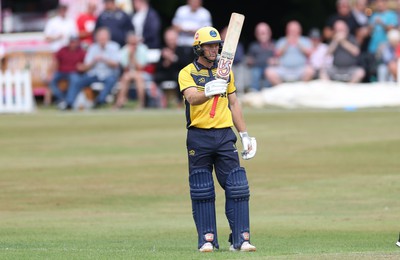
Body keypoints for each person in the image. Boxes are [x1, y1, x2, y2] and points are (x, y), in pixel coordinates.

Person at [178, 26, 257, 253]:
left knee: (237, 186)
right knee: (202, 189)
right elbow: (192, 98)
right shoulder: (187, 73)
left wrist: (244, 135)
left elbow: (234, 103)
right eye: (209, 46)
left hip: (224, 136)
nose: (214, 49)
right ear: (198, 48)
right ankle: (207, 239)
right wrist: (207, 92)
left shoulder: (226, 72)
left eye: (216, 45)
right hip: (199, 136)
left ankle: (241, 239)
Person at [63, 27, 120, 109]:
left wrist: (104, 59)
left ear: (108, 38)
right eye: (100, 38)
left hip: (109, 74)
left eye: (104, 38)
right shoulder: (93, 47)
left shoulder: (114, 47)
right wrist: (94, 61)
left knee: (111, 80)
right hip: (95, 74)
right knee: (78, 81)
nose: (102, 40)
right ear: (97, 38)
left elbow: (116, 64)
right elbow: (87, 65)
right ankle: (69, 102)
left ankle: (100, 101)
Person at [265, 20, 314, 86]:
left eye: (294, 30)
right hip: (284, 69)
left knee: (310, 70)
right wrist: (287, 43)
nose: (292, 32)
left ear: (299, 30)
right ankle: (281, 88)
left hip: (300, 69)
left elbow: (309, 53)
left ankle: (301, 88)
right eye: (290, 30)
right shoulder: (282, 40)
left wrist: (298, 43)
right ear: (287, 30)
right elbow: (277, 54)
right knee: (269, 71)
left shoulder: (305, 40)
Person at [49, 36, 86, 110]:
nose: (73, 44)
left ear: (77, 43)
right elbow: (55, 61)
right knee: (51, 80)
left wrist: (82, 67)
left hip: (74, 72)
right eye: (71, 42)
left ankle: (69, 102)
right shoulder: (63, 49)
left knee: (75, 80)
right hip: (61, 71)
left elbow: (85, 64)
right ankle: (63, 99)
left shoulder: (81, 52)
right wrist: (51, 73)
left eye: (74, 42)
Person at [114, 32, 149, 109]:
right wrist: (130, 56)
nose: (133, 45)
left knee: (138, 77)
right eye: (131, 43)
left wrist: (133, 57)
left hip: (141, 73)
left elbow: (140, 68)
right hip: (128, 73)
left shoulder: (143, 49)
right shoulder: (124, 50)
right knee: (125, 77)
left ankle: (141, 103)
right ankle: (119, 102)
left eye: (135, 43)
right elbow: (125, 68)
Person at [153, 27, 187, 106]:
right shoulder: (164, 50)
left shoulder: (181, 50)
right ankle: (159, 100)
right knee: (156, 78)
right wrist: (165, 62)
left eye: (172, 39)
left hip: (177, 73)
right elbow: (158, 68)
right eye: (169, 40)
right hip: (166, 73)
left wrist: (172, 58)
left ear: (176, 39)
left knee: (179, 77)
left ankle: (180, 101)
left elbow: (185, 65)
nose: (170, 42)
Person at [172, 0, 212, 65]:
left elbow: (207, 31)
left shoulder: (205, 13)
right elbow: (174, 26)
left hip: (197, 47)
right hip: (181, 44)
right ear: (188, 1)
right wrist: (188, 30)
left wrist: (195, 31)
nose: (194, 3)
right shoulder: (181, 10)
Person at [246, 22, 275, 91]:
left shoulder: (274, 45)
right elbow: (249, 59)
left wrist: (275, 61)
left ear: (269, 33)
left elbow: (278, 58)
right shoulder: (253, 46)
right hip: (257, 67)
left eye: (264, 33)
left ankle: (268, 91)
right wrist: (249, 61)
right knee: (255, 73)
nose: (263, 35)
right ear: (257, 34)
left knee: (270, 72)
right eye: (260, 33)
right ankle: (254, 91)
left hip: (269, 68)